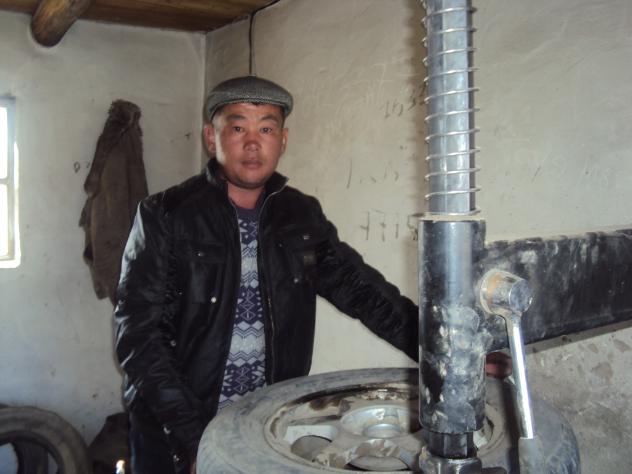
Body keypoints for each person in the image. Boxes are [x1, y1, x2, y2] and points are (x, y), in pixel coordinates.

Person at [114, 75, 419, 474]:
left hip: (264, 425)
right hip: (174, 431)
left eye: (267, 129)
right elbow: (139, 337)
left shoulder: (301, 214)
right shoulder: (165, 214)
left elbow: (364, 292)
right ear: (211, 137)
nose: (253, 144)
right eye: (238, 128)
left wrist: (443, 351)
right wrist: (193, 440)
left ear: (283, 140)